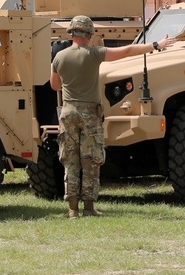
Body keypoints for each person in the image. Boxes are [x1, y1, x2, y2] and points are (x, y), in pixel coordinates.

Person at [50, 15, 177, 218]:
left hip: (67, 112)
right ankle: (89, 208)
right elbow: (126, 51)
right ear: (89, 34)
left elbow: (54, 85)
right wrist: (156, 45)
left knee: (70, 160)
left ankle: (72, 210)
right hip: (90, 113)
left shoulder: (59, 57)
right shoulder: (94, 54)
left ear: (72, 33)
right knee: (90, 160)